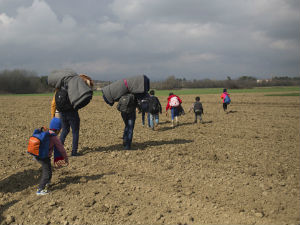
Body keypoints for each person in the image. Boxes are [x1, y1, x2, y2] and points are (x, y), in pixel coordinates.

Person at [51, 74, 93, 156]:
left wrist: (53, 114)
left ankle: (58, 151)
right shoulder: (74, 88)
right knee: (75, 132)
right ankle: (74, 152)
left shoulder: (61, 87)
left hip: (61, 112)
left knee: (65, 130)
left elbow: (54, 102)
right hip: (72, 112)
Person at [35, 117, 68, 195]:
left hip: (38, 155)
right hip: (44, 157)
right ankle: (40, 189)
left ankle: (47, 183)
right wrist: (65, 159)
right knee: (47, 172)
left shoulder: (45, 133)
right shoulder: (53, 137)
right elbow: (61, 149)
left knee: (49, 169)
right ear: (58, 129)